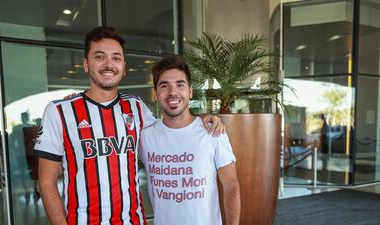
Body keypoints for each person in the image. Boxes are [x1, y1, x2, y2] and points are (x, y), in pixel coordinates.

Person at [34, 26, 224, 225]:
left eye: (116, 58)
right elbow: (47, 183)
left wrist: (201, 118)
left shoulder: (135, 107)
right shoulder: (59, 112)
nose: (109, 64)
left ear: (124, 66)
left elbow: (171, 127)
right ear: (86, 64)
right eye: (100, 57)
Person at [139, 56, 240, 225]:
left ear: (190, 91)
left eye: (180, 85)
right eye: (164, 86)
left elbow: (231, 185)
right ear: (155, 93)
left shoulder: (213, 132)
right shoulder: (145, 136)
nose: (173, 92)